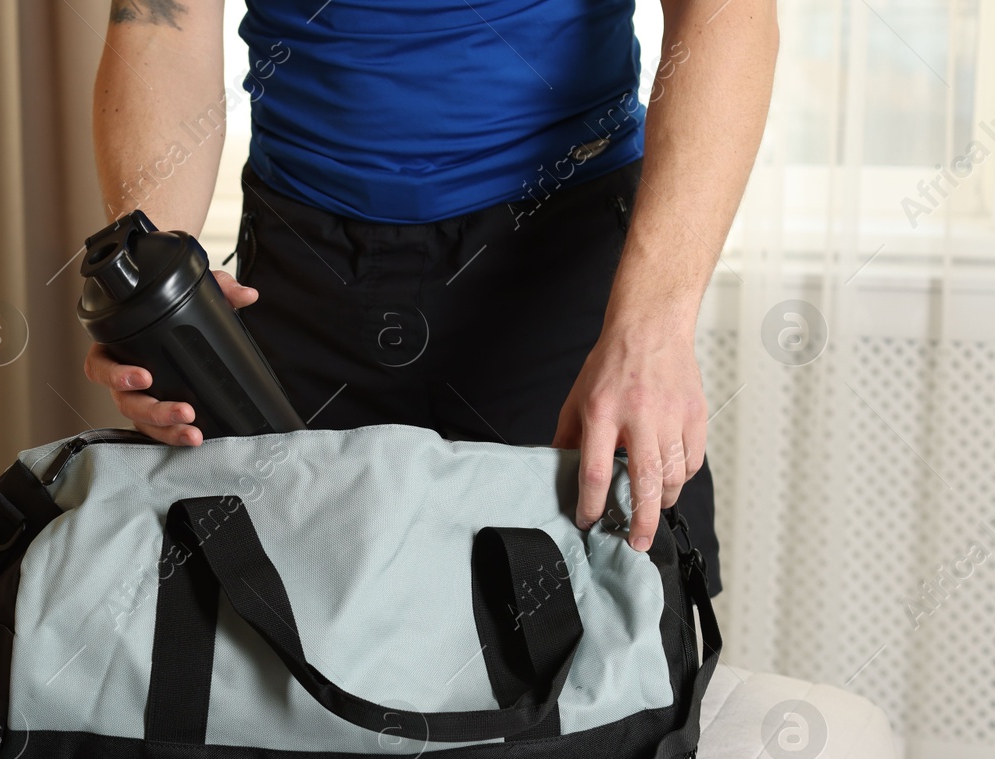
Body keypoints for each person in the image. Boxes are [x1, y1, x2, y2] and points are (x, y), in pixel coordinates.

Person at [85, 0, 777, 595]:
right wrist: (152, 283)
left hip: (561, 263)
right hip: (301, 268)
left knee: (617, 647)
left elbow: (725, 13)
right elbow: (160, 19)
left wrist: (654, 326)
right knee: (277, 649)